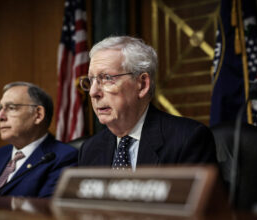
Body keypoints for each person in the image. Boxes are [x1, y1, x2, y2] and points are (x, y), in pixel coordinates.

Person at [78, 36, 217, 170]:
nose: (93, 92)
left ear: (142, 84)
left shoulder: (188, 140)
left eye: (107, 78)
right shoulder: (89, 150)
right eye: (91, 80)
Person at [0, 82, 78, 197]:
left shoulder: (64, 158)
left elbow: (45, 211)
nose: (0, 116)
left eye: (11, 108)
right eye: (0, 109)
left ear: (38, 115)